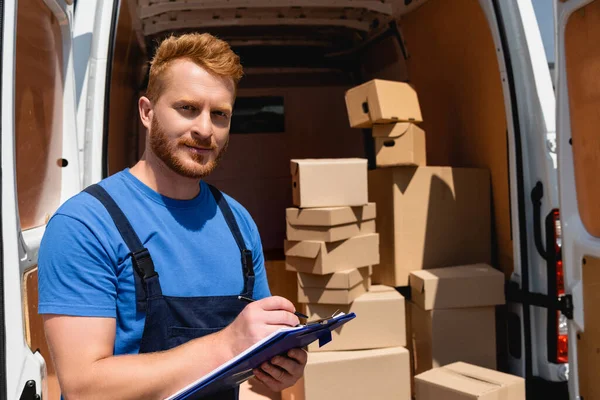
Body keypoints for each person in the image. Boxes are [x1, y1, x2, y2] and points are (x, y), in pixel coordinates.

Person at [38, 32, 307, 400]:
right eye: (187, 108)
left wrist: (277, 368)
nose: (205, 129)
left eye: (220, 115)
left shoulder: (238, 223)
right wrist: (227, 344)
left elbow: (252, 365)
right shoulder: (85, 224)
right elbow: (85, 387)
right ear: (147, 112)